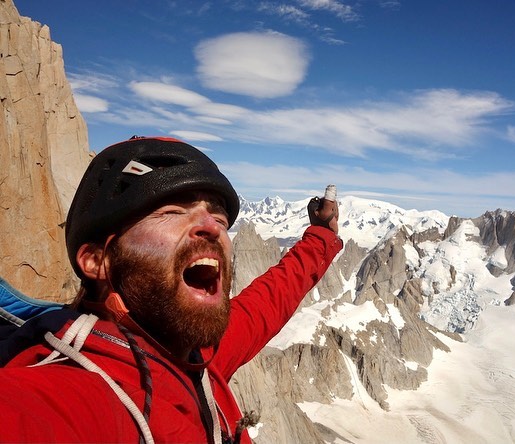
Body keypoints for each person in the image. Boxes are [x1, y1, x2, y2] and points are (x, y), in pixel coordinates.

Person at [0, 136, 342, 443]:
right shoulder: (69, 394)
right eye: (173, 211)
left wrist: (322, 235)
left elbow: (266, 302)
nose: (211, 227)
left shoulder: (197, 357)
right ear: (97, 261)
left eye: (220, 219)